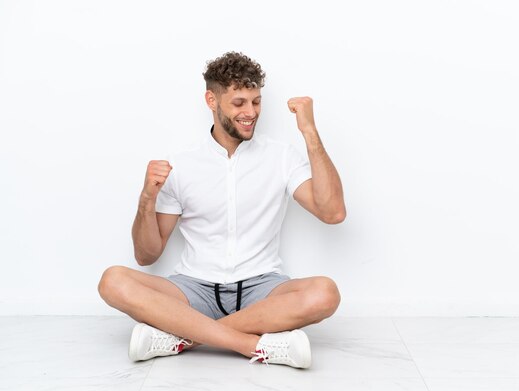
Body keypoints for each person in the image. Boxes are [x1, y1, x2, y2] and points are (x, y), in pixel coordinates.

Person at [98, 51, 345, 369]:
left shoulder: (280, 156)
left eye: (256, 101)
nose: (251, 112)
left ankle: (182, 338)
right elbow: (147, 255)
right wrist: (147, 199)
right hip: (192, 289)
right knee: (112, 281)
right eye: (239, 102)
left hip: (262, 288)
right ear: (211, 100)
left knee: (325, 293)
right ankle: (252, 345)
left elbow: (333, 212)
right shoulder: (182, 162)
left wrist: (309, 133)